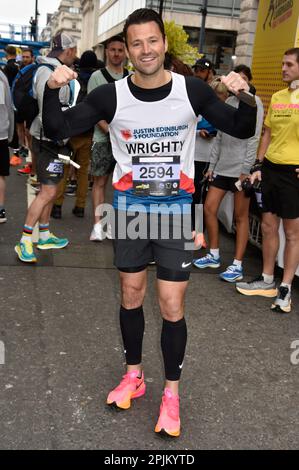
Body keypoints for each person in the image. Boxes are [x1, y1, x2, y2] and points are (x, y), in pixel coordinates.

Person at [42, 8, 256, 437]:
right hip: (132, 213)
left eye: (152, 41)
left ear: (164, 43)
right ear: (128, 48)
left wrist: (244, 93)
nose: (145, 50)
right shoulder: (111, 96)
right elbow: (58, 128)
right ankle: (134, 375)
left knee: (172, 306)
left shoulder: (191, 90)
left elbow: (242, 126)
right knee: (131, 295)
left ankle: (171, 394)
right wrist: (51, 89)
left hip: (176, 214)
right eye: (136, 42)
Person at [236, 48, 299, 313]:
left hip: (293, 172)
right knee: (268, 226)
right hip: (271, 169)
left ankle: (285, 289)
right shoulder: (277, 96)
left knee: (293, 233)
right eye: (282, 63)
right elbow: (267, 134)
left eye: (289, 64)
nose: (283, 68)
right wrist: (258, 164)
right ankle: (267, 280)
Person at [193, 67, 264, 282]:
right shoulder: (228, 103)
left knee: (240, 217)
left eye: (243, 80)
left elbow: (253, 139)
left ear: (249, 82)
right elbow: (220, 139)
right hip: (222, 167)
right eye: (236, 79)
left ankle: (237, 265)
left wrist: (246, 170)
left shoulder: (255, 103)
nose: (237, 83)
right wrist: (212, 166)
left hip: (240, 170)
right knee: (209, 208)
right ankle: (213, 254)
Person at [14, 33, 77, 263]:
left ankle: (44, 233)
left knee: (49, 189)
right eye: (74, 50)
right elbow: (46, 107)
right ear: (68, 50)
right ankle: (25, 241)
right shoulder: (47, 71)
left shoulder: (51, 68)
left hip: (52, 139)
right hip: (47, 140)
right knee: (48, 191)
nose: (76, 55)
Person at [87, 35, 128, 240]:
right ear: (106, 52)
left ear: (125, 52)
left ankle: (113, 225)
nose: (116, 54)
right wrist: (112, 133)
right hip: (103, 139)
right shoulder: (97, 77)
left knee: (123, 185)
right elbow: (93, 111)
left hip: (127, 143)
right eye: (113, 50)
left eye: (120, 50)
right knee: (100, 182)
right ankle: (98, 226)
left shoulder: (131, 76)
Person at [51, 50, 99, 218]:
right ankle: (80, 207)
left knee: (63, 169)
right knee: (83, 171)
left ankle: (57, 206)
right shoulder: (96, 81)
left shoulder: (73, 78)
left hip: (71, 131)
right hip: (89, 132)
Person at [191, 77, 229, 231]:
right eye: (216, 98)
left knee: (206, 199)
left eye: (222, 99)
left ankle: (199, 231)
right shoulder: (198, 109)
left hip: (214, 161)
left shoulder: (226, 114)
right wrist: (199, 132)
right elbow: (185, 129)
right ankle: (193, 229)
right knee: (194, 196)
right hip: (195, 157)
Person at [0, 69, 14, 223]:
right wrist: (10, 134)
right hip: (1, 132)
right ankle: (0, 209)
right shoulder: (2, 77)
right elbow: (8, 108)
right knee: (0, 174)